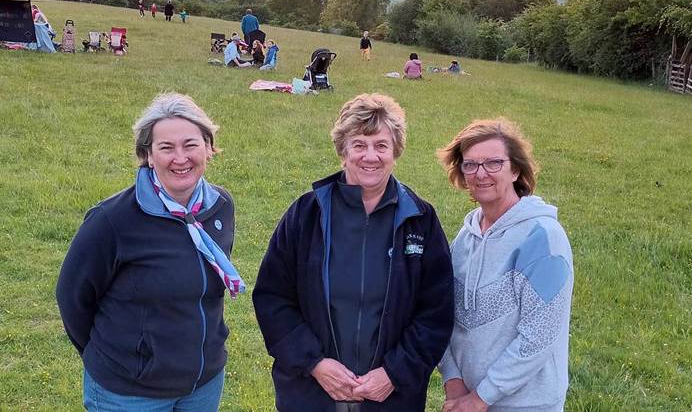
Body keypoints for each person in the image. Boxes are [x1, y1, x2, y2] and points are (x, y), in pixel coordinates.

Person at [253, 93, 454, 412]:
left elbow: (436, 312)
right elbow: (272, 298)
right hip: (311, 394)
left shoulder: (420, 219)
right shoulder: (307, 214)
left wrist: (393, 372)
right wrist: (315, 363)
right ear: (343, 150)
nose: (370, 156)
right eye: (359, 144)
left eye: (381, 145)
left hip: (391, 399)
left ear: (395, 151)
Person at [56, 93, 245, 411]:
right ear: (148, 155)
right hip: (129, 392)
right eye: (166, 148)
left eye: (190, 144)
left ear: (208, 148)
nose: (180, 158)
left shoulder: (220, 206)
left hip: (203, 384)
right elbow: (72, 297)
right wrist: (116, 360)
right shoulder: (113, 220)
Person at [436, 119, 573, 412]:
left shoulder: (544, 239)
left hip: (526, 404)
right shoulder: (465, 238)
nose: (480, 173)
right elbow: (442, 312)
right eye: (470, 165)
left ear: (515, 170)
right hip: (469, 398)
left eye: (493, 163)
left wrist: (481, 398)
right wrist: (453, 380)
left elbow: (539, 336)